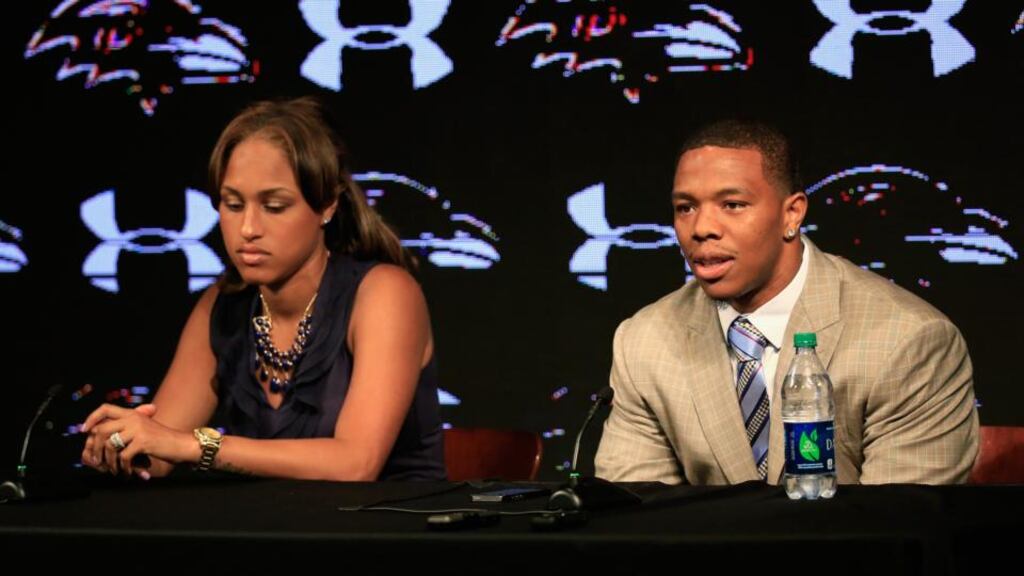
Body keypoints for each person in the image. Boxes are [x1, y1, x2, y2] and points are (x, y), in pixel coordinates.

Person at [594, 119, 978, 485]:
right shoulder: (644, 342)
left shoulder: (909, 342)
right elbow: (637, 518)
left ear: (791, 213)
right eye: (686, 207)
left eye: (732, 204)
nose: (701, 228)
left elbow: (897, 527)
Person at [80, 97, 445, 481]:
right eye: (233, 204)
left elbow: (356, 463)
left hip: (385, 532)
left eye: (273, 206)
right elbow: (161, 451)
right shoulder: (223, 304)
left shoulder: (385, 294)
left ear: (327, 206)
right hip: (269, 533)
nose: (248, 229)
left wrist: (194, 445)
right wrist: (124, 445)